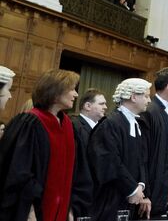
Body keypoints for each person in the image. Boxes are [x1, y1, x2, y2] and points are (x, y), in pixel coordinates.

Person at [0, 69, 80, 221]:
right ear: (55, 91)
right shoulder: (30, 122)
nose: (76, 94)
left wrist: (68, 206)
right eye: (71, 89)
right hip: (33, 211)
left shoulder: (67, 124)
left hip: (60, 209)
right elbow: (19, 172)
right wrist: (29, 211)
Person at [88, 78, 152, 221]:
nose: (149, 100)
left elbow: (141, 159)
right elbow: (110, 161)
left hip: (133, 198)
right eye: (146, 96)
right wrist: (132, 188)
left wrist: (141, 186)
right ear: (133, 97)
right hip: (111, 198)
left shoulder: (136, 124)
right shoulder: (110, 123)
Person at [139, 67, 168, 216]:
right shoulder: (150, 111)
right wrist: (145, 192)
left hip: (164, 186)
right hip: (150, 187)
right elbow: (143, 154)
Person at [70, 88, 107, 217]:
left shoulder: (102, 128)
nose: (105, 107)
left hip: (96, 195)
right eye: (101, 104)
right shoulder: (75, 126)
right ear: (87, 106)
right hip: (79, 194)